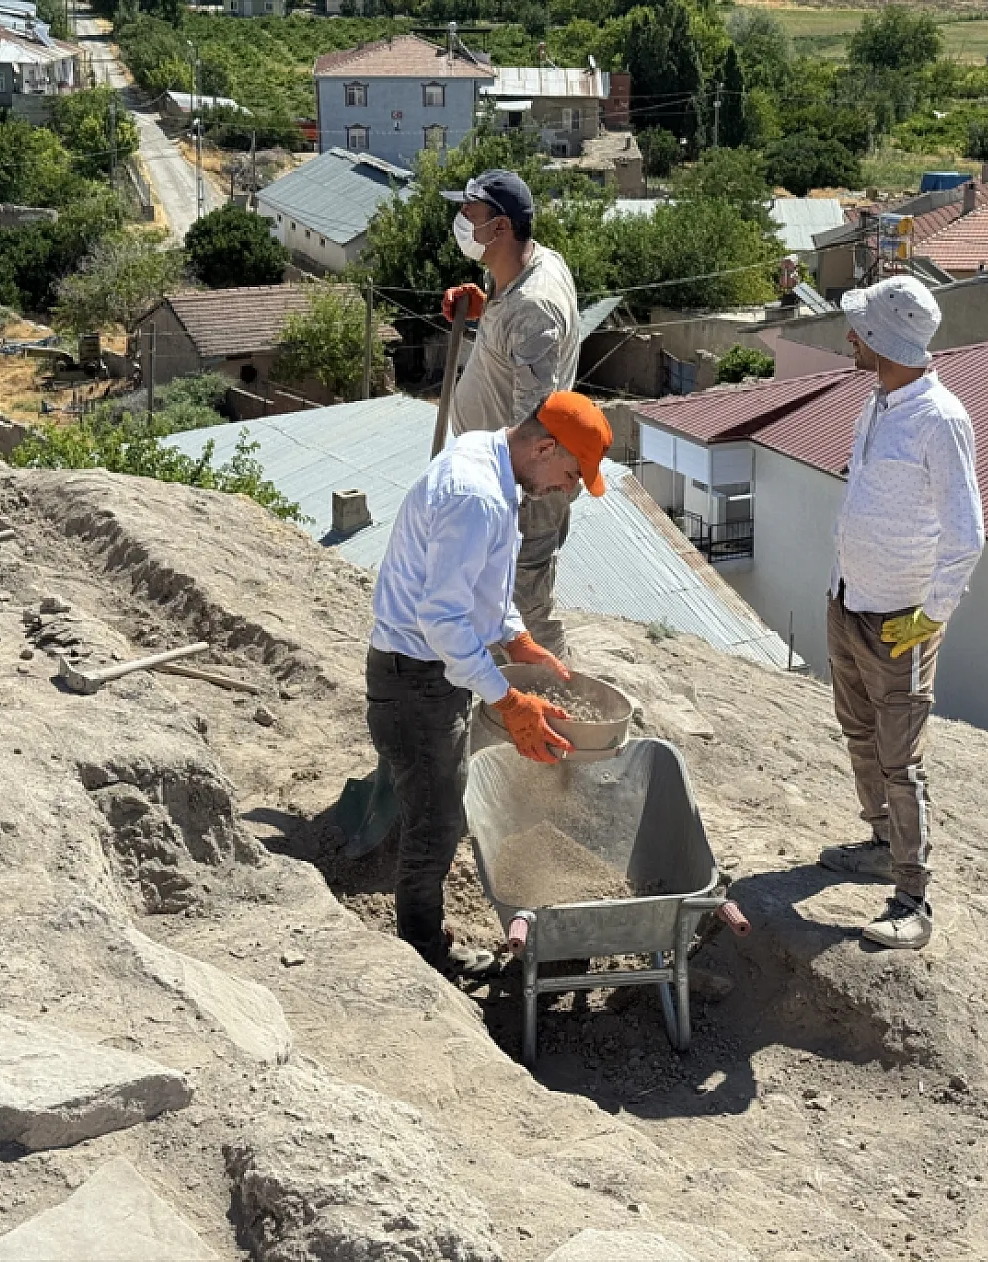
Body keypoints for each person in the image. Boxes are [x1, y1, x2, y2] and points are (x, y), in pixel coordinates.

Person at [366, 392, 613, 979]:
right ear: (545, 446)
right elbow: (443, 620)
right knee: (436, 817)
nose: (568, 488)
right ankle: (423, 952)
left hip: (431, 672)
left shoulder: (492, 458)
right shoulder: (475, 495)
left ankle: (422, 933)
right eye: (570, 473)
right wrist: (508, 698)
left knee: (441, 803)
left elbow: (480, 588)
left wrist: (514, 636)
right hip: (414, 678)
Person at [819, 275, 983, 951]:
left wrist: (928, 619)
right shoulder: (880, 401)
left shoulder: (940, 421)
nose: (849, 337)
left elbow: (967, 536)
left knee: (900, 760)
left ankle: (913, 896)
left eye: (859, 329)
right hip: (850, 602)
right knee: (858, 731)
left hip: (899, 622)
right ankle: (882, 844)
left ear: (882, 341)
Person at [441, 170, 582, 660]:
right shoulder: (524, 272)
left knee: (524, 611)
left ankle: (553, 700)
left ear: (500, 227)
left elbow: (535, 422)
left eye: (469, 214)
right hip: (501, 477)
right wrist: (485, 309)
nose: (461, 220)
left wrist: (502, 497)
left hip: (523, 488)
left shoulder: (533, 307)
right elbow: (516, 338)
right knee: (494, 601)